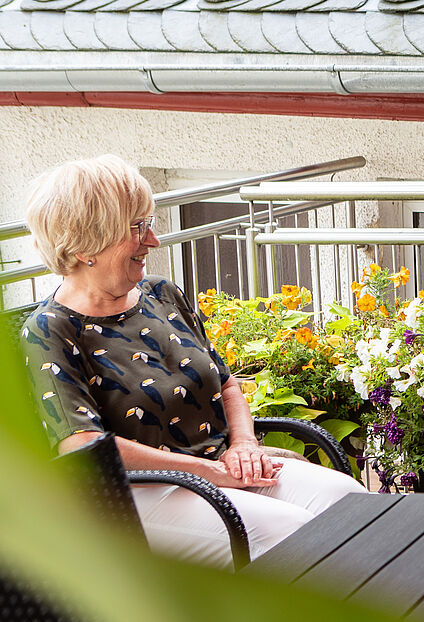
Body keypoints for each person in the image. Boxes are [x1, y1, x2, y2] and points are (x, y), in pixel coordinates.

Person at [19, 155, 365, 569]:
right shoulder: (49, 331)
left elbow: (225, 382)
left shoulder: (162, 293)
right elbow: (86, 445)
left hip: (220, 463)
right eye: (137, 228)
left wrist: (243, 446)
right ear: (84, 245)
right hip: (138, 495)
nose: (153, 241)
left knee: (350, 503)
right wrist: (211, 473)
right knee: (286, 532)